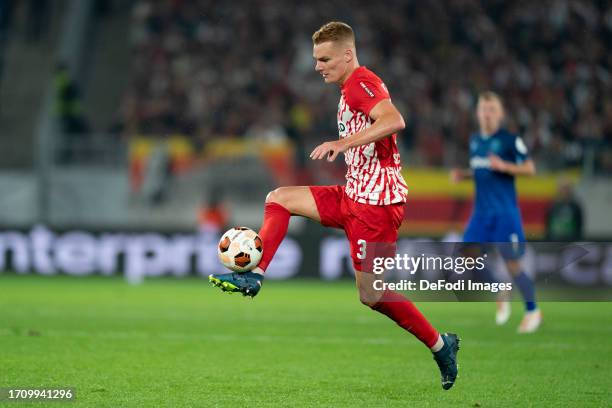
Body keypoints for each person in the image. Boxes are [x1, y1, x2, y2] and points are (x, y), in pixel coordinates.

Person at [209, 21, 460, 390]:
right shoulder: (351, 86)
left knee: (371, 294)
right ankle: (254, 275)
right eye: (315, 59)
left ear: (347, 54)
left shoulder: (360, 82)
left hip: (376, 205)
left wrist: (344, 144)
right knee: (279, 198)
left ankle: (441, 346)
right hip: (353, 193)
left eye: (324, 58)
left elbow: (394, 120)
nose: (317, 66)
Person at [451, 91, 542, 333]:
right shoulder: (475, 141)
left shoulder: (510, 140)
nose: (487, 114)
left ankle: (532, 311)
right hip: (481, 213)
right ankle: (500, 289)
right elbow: (482, 169)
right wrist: (465, 174)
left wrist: (505, 166)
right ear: (478, 113)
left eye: (492, 109)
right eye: (483, 109)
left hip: (505, 213)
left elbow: (530, 168)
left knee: (512, 263)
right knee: (467, 256)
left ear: (500, 114)